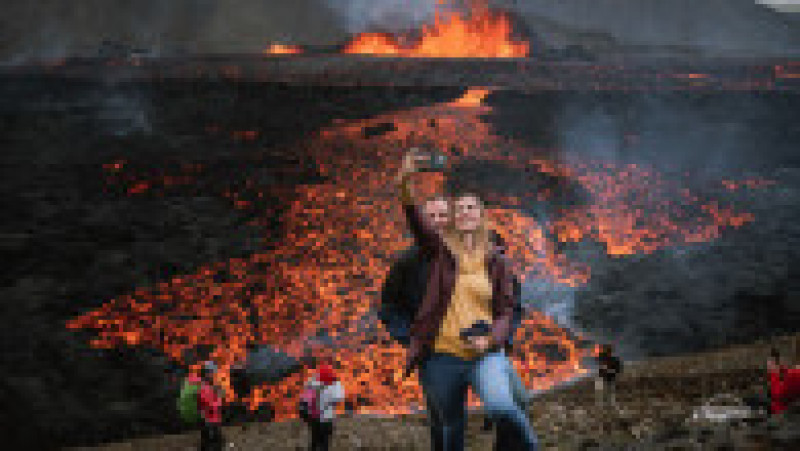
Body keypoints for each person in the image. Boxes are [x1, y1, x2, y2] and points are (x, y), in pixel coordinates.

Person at [396, 149, 539, 451]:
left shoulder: (497, 260)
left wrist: (492, 340)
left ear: (481, 213)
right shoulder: (440, 251)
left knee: (505, 408)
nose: (464, 213)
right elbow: (414, 218)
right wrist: (406, 179)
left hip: (483, 353)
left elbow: (507, 309)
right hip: (442, 356)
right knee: (450, 427)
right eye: (459, 209)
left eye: (471, 207)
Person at [303, 363, 345, 451]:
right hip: (325, 419)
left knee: (315, 440)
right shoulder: (333, 387)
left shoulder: (313, 384)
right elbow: (339, 397)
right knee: (323, 442)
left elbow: (307, 390)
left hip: (315, 418)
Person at [198, 361, 224, 451]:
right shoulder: (205, 388)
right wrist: (219, 397)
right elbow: (211, 406)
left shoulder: (208, 386)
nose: (214, 375)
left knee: (209, 443)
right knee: (213, 444)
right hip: (210, 421)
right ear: (207, 373)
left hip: (211, 420)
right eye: (212, 373)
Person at [595, 344, 622, 411]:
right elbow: (597, 358)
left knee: (609, 394)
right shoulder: (605, 359)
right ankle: (605, 407)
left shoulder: (614, 360)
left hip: (609, 379)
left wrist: (609, 370)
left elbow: (618, 370)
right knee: (604, 394)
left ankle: (609, 407)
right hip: (604, 378)